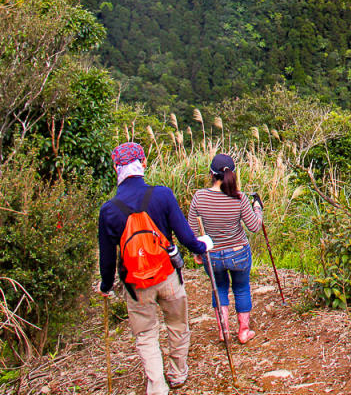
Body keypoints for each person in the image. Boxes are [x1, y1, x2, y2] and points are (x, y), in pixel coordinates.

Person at [98, 142, 213, 395]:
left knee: (146, 335)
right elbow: (185, 237)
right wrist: (201, 246)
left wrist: (106, 286)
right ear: (144, 164)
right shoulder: (162, 194)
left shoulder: (108, 210)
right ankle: (178, 373)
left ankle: (157, 385)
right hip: (168, 274)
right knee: (177, 325)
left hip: (135, 284)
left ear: (116, 167)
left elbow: (107, 259)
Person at [188, 153, 263, 344]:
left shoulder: (199, 197)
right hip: (238, 252)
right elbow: (254, 227)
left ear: (211, 174)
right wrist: (258, 209)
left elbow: (191, 230)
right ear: (233, 174)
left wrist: (198, 252)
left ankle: (224, 331)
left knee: (219, 288)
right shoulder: (239, 198)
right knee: (241, 288)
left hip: (212, 254)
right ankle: (244, 331)